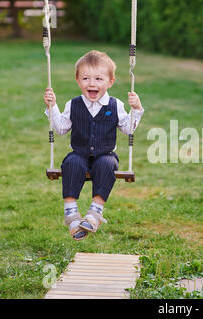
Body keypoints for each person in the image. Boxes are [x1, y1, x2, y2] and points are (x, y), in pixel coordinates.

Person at [43, 50, 144, 241]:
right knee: (71, 163)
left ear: (110, 82)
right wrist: (53, 106)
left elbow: (128, 128)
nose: (92, 83)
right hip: (79, 153)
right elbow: (62, 128)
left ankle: (95, 212)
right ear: (78, 81)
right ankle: (71, 213)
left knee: (106, 165)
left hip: (105, 154)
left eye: (98, 78)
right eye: (86, 78)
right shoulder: (73, 105)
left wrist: (137, 109)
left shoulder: (116, 105)